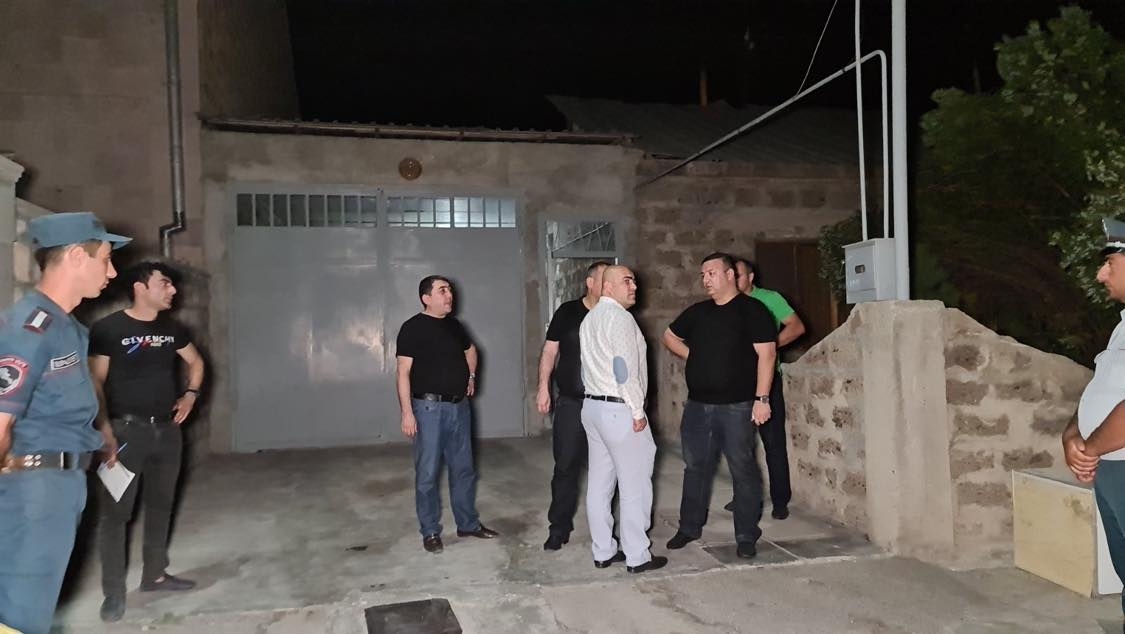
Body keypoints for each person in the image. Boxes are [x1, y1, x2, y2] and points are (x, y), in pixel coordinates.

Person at [0, 212, 129, 634]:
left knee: (34, 608)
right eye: (105, 259)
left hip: (59, 483)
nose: (112, 272)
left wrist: (101, 433)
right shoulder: (30, 328)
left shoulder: (67, 326)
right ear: (76, 256)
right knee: (21, 615)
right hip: (33, 490)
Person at [90, 262, 206, 622]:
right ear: (140, 288)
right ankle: (113, 594)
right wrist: (104, 429)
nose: (173, 291)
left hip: (167, 432)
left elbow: (196, 362)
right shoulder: (108, 329)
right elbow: (95, 382)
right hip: (125, 432)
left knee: (161, 505)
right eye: (165, 284)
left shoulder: (173, 329)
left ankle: (155, 575)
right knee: (116, 515)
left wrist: (190, 395)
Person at [662, 252, 777, 559]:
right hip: (697, 406)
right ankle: (689, 527)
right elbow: (669, 336)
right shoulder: (698, 312)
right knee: (695, 468)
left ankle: (746, 534)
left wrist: (762, 399)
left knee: (742, 468)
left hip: (737, 406)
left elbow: (767, 355)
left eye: (711, 273)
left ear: (730, 275)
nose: (705, 280)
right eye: (702, 275)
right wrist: (695, 357)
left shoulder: (752, 310)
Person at [396, 275, 498, 553]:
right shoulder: (412, 328)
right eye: (442, 291)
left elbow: (471, 350)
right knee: (428, 473)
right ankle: (430, 531)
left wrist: (471, 376)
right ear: (426, 298)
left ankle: (468, 524)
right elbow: (403, 372)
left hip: (459, 408)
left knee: (464, 469)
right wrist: (407, 412)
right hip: (428, 410)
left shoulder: (455, 326)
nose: (449, 295)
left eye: (450, 290)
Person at [579, 265, 666, 573]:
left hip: (593, 406)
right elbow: (623, 370)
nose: (634, 287)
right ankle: (637, 555)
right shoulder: (620, 318)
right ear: (607, 288)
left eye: (634, 281)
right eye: (626, 281)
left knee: (599, 484)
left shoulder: (590, 318)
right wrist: (637, 411)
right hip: (619, 409)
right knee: (635, 485)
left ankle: (603, 550)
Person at [1063, 217, 1125, 622]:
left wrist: (1090, 447)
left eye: (1110, 264)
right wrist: (1073, 432)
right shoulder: (1122, 328)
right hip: (1111, 467)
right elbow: (1103, 388)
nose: (1101, 275)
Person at [722, 257, 806, 519]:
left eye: (738, 275)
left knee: (773, 442)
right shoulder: (727, 303)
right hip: (736, 381)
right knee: (737, 443)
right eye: (730, 275)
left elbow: (797, 327)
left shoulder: (769, 299)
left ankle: (780, 501)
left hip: (767, 379)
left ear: (750, 278)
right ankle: (743, 496)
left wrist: (768, 346)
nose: (733, 280)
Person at [536, 261, 610, 551]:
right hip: (571, 403)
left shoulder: (615, 313)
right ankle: (559, 527)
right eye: (604, 279)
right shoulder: (567, 312)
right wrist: (543, 387)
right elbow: (550, 351)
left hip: (606, 404)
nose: (609, 284)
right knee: (565, 466)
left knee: (607, 469)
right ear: (590, 283)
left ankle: (606, 532)